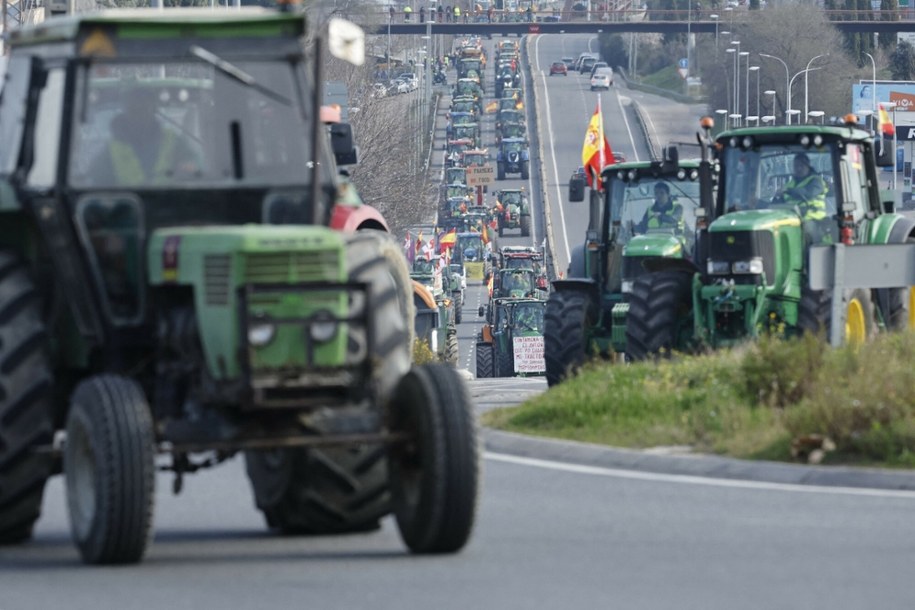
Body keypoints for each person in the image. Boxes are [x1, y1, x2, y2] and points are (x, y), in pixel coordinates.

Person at [88, 88, 201, 186]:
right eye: (134, 110)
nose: (140, 115)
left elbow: (197, 169)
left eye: (144, 109)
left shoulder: (173, 142)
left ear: (153, 110)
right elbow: (97, 184)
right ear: (125, 113)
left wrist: (187, 170)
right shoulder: (112, 151)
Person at [776, 152, 827, 221]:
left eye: (801, 165)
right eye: (796, 166)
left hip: (814, 220)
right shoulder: (789, 185)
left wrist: (788, 190)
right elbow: (777, 205)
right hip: (792, 220)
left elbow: (808, 193)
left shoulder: (816, 181)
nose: (798, 168)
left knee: (807, 228)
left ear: (808, 166)